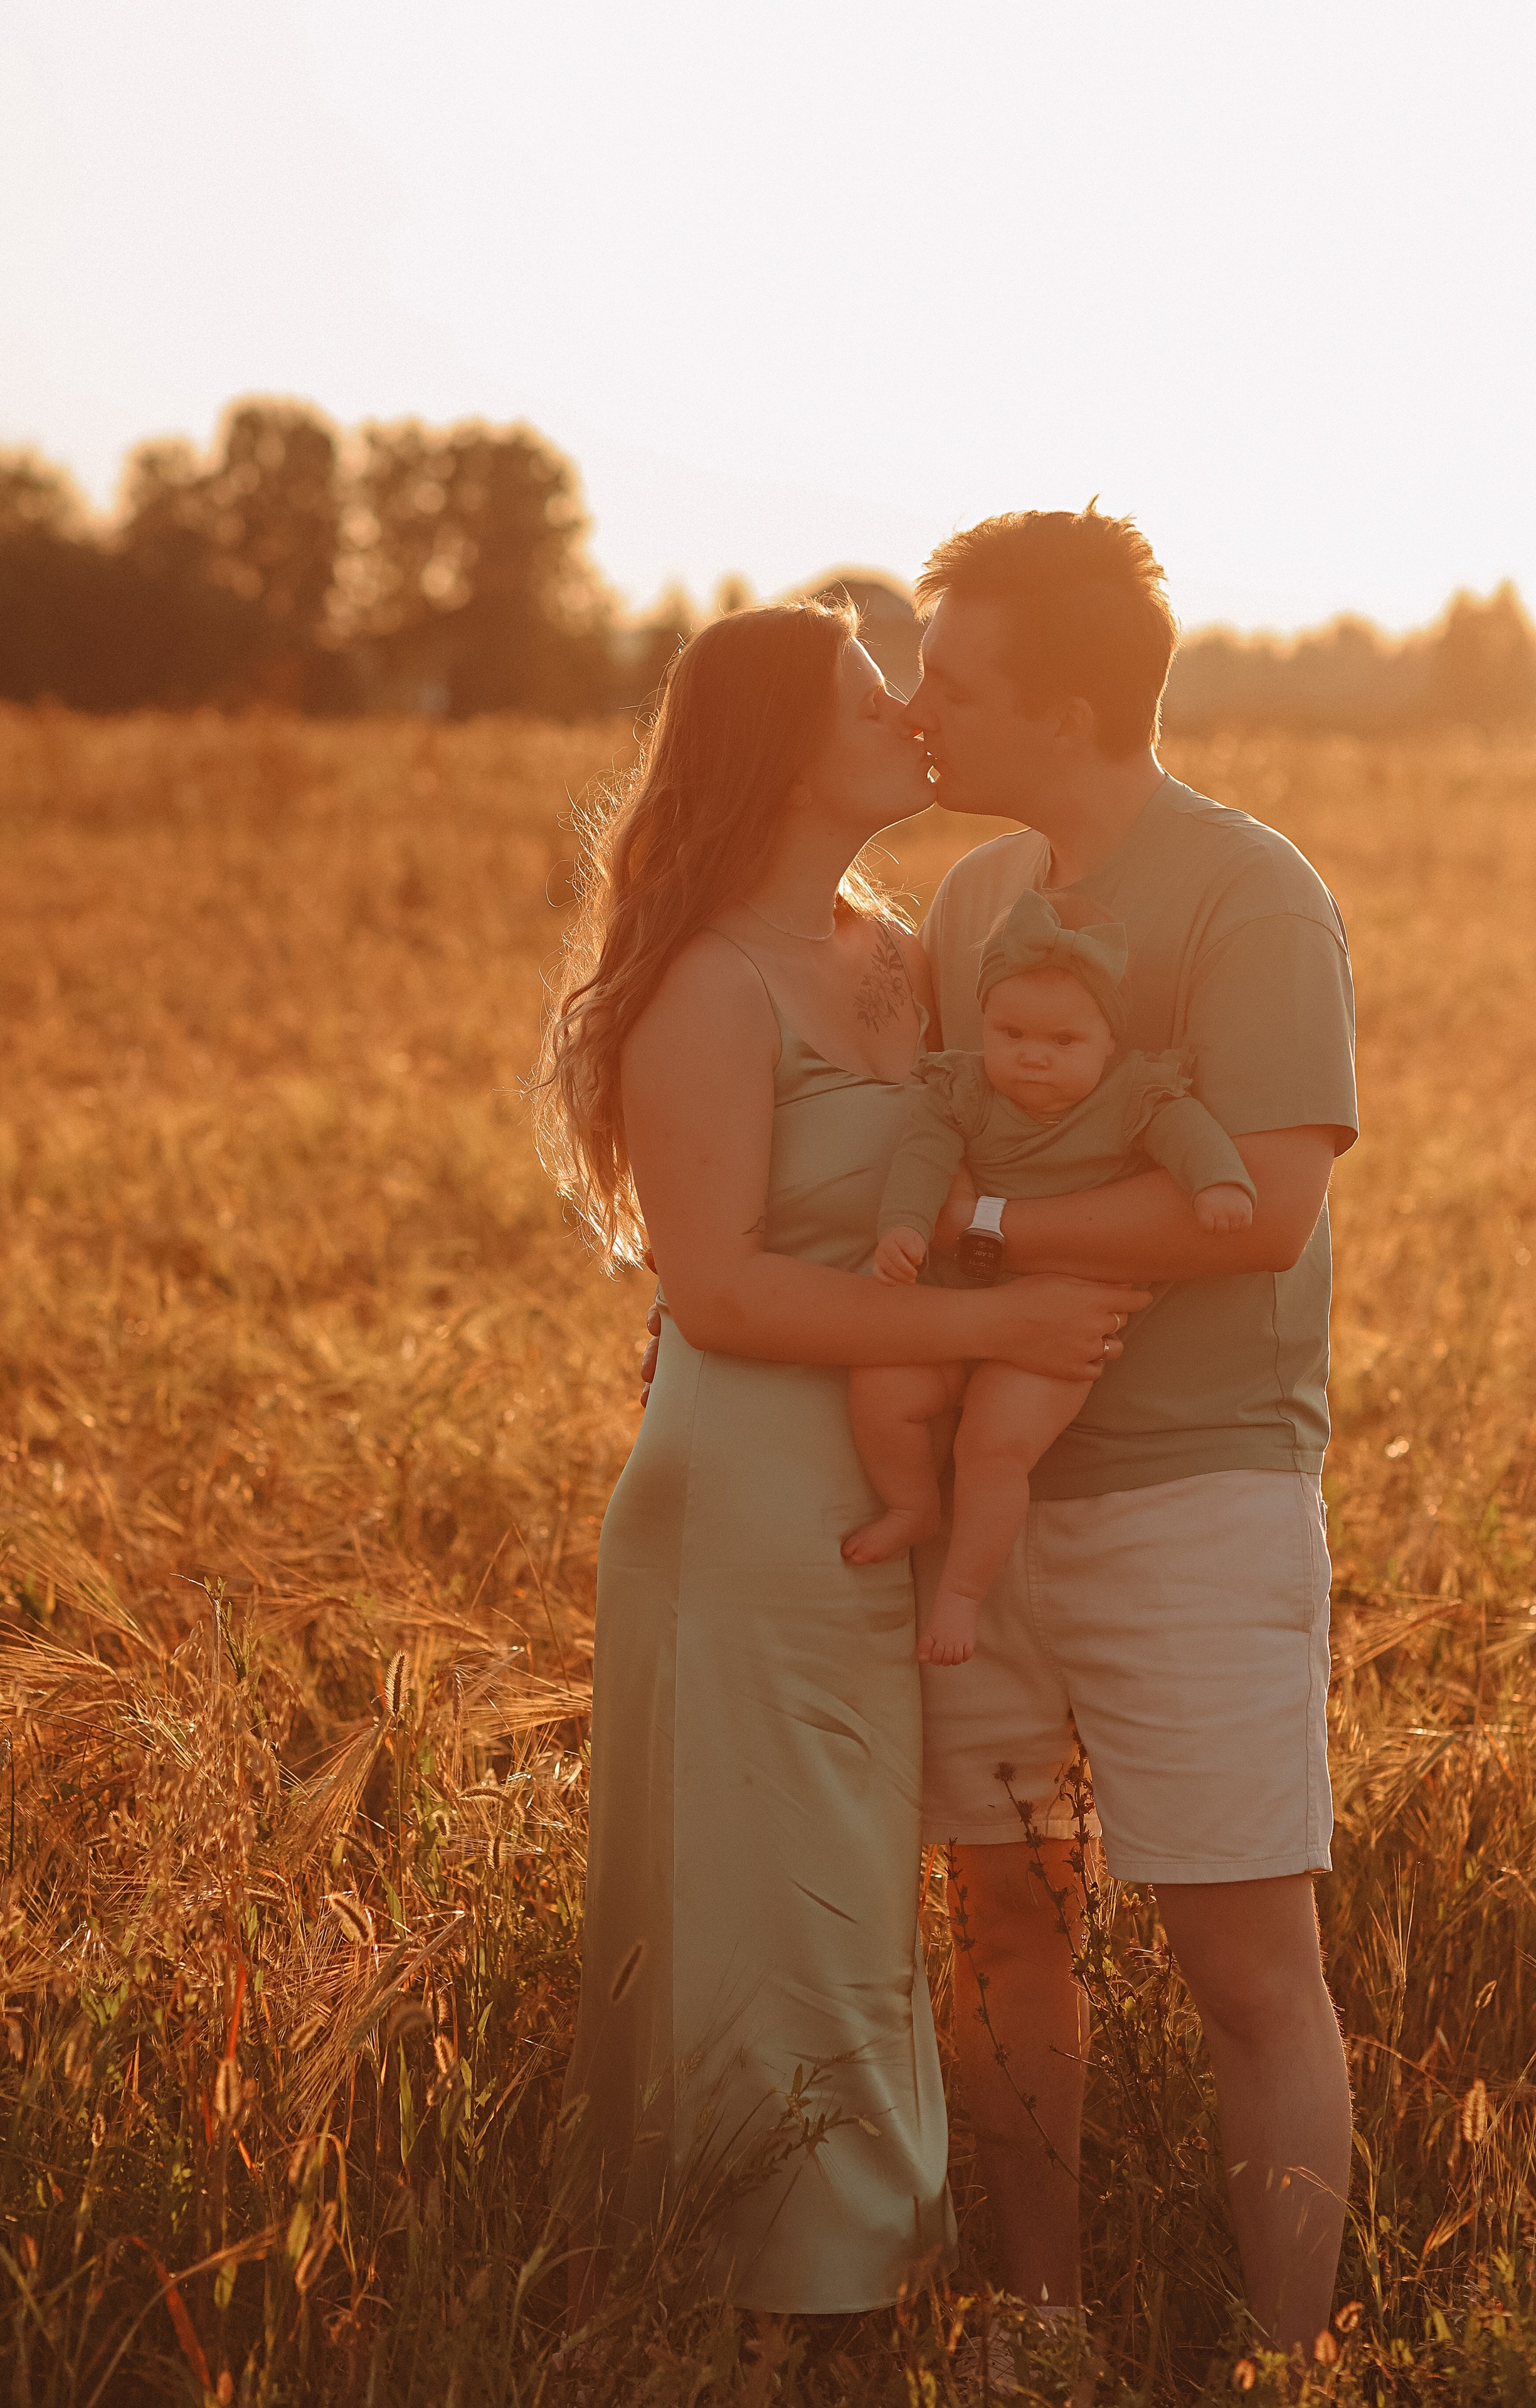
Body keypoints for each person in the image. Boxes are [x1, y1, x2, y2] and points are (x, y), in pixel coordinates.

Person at [533, 599, 1147, 2325]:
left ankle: (833, 2275)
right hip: (744, 1496)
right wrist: (998, 1328)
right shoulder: (707, 982)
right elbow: (718, 1291)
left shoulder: (898, 949)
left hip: (881, 1486)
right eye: (874, 699)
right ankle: (791, 2293)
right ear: (785, 752)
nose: (913, 717)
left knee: (852, 1889)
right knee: (768, 1895)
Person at [906, 507, 1359, 2365]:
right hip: (985, 1514)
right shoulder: (964, 903)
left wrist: (990, 1234)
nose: (917, 708)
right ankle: (1040, 2322)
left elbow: (1261, 1209)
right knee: (1004, 1929)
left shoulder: (1249, 894)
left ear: (1069, 708)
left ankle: (1289, 2364)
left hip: (1198, 1498)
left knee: (1247, 1972)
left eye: (954, 680)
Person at [844, 885, 1256, 1669]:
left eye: (1064, 1040)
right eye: (1012, 1034)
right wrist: (902, 1227)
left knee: (992, 1447)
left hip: (1057, 1321)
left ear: (1109, 1041)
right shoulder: (964, 1089)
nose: (1033, 1055)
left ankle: (961, 1593)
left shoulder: (1132, 1094)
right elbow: (923, 1158)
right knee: (882, 1386)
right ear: (984, 1026)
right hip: (956, 1300)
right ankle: (911, 1505)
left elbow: (1187, 1131)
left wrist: (1218, 1184)